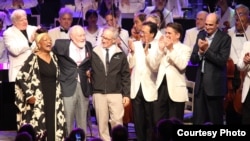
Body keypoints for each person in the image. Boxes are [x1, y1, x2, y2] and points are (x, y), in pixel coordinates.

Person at [15, 28, 67, 140]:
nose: (49, 42)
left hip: (54, 96)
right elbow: (20, 77)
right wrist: (29, 94)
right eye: (45, 40)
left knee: (54, 123)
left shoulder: (53, 57)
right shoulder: (33, 58)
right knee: (41, 124)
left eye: (50, 40)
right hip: (39, 98)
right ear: (39, 44)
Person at [190, 13, 231, 124]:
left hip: (215, 86)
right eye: (206, 24)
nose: (207, 27)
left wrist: (207, 50)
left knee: (215, 120)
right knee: (198, 121)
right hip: (200, 84)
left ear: (217, 24)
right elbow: (193, 59)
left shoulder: (225, 38)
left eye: (210, 25)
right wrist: (199, 52)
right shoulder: (201, 35)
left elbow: (222, 61)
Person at [91, 26, 130, 141]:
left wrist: (126, 94)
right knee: (102, 123)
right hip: (98, 92)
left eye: (107, 39)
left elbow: (125, 75)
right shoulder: (94, 52)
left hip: (116, 93)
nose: (103, 40)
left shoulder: (120, 54)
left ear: (114, 40)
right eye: (103, 37)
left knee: (117, 121)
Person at [53, 25, 92, 137]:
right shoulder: (60, 45)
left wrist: (90, 71)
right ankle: (69, 139)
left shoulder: (88, 46)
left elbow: (91, 64)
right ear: (71, 37)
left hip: (83, 86)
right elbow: (50, 57)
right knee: (68, 119)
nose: (83, 37)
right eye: (80, 35)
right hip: (67, 86)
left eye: (84, 35)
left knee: (82, 120)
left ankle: (81, 139)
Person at [152, 22, 192, 124]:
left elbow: (182, 65)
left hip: (176, 91)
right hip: (161, 89)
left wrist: (170, 49)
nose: (167, 35)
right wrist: (160, 50)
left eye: (170, 33)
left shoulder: (185, 49)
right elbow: (154, 66)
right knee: (158, 121)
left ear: (178, 35)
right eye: (166, 33)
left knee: (175, 123)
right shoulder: (162, 47)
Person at [127, 21, 158, 141]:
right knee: (138, 120)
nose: (141, 34)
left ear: (152, 34)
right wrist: (132, 52)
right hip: (136, 87)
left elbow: (155, 66)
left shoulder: (158, 47)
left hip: (150, 87)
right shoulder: (135, 44)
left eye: (144, 32)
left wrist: (147, 52)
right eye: (141, 32)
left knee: (150, 119)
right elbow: (130, 64)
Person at [3, 9, 38, 82]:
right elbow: (15, 51)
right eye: (21, 20)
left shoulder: (33, 29)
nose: (25, 22)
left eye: (25, 19)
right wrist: (30, 41)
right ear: (14, 22)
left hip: (34, 70)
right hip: (18, 71)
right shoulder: (8, 33)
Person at [237, 41, 250, 124]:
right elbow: (239, 66)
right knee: (247, 118)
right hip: (249, 87)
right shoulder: (247, 44)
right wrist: (245, 62)